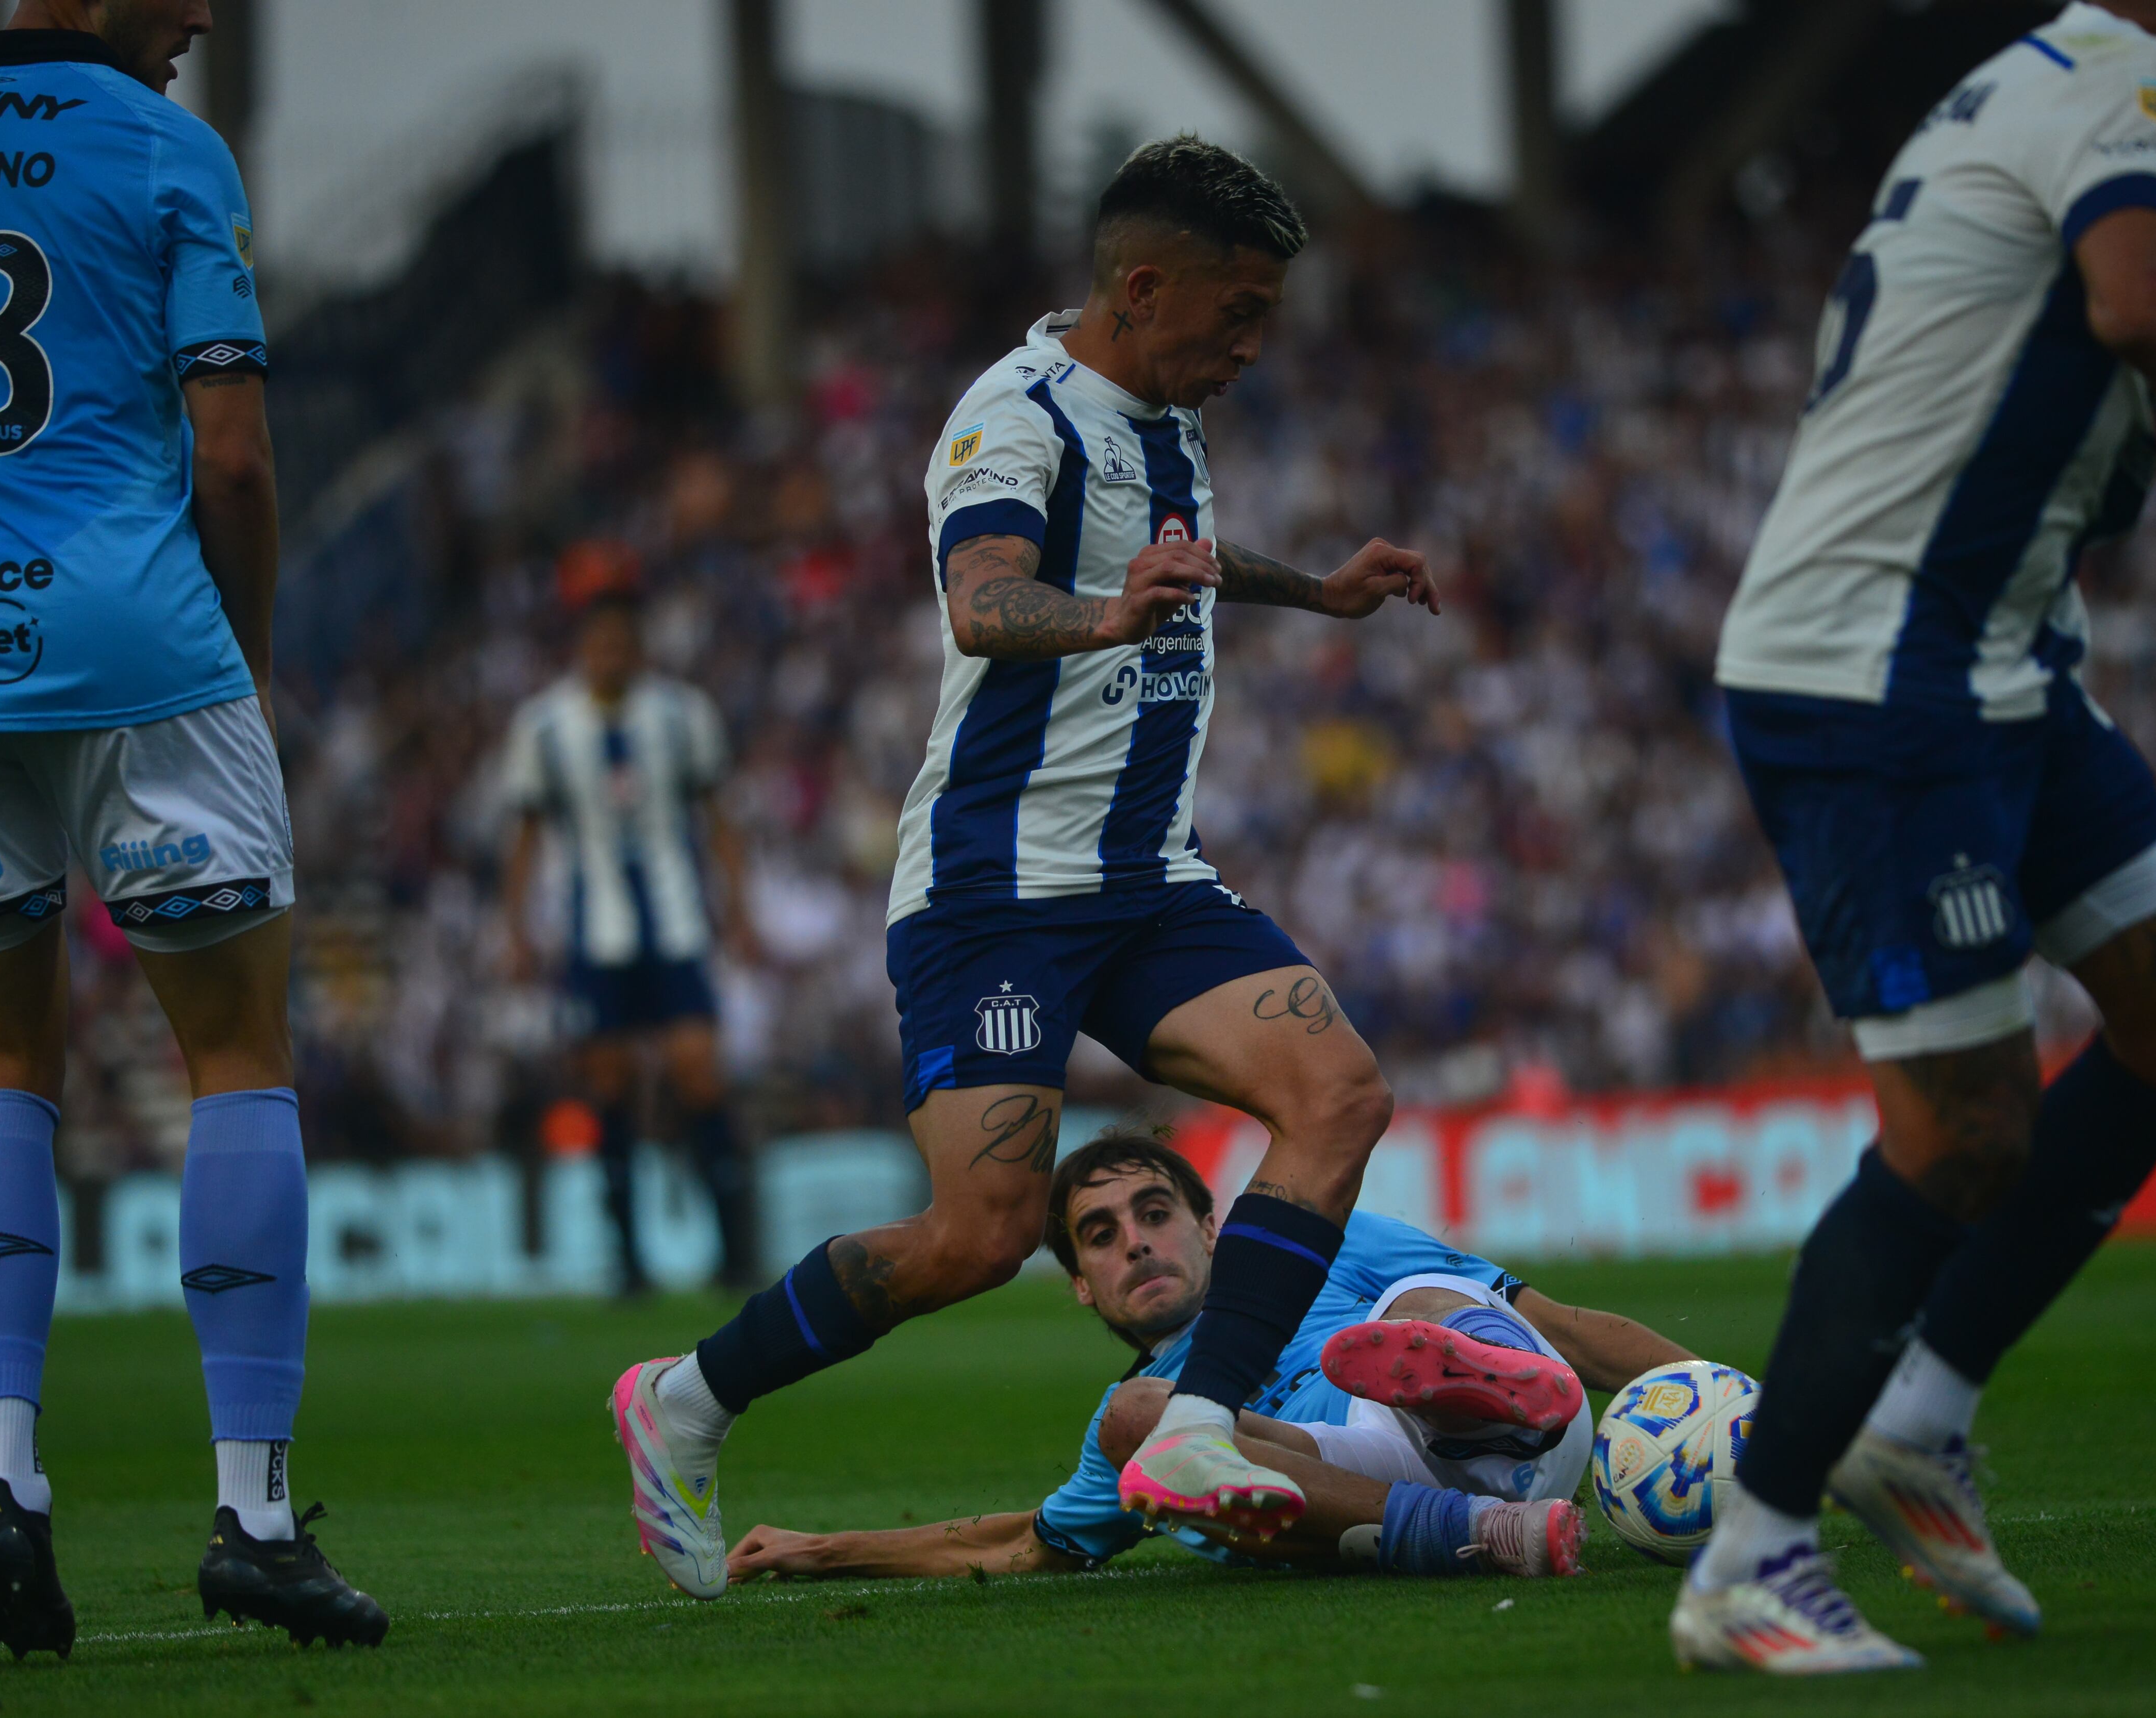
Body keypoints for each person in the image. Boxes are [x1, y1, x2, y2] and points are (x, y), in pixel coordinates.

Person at [610, 136, 1442, 1599]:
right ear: (1141, 286)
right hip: (997, 893)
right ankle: (683, 1395)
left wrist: (1318, 590)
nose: (1254, 344)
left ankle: (1194, 1424)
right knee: (979, 1236)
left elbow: (1176, 550)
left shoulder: (1167, 418)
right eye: (1237, 312)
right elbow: (985, 601)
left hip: (1147, 879)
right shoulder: (1015, 416)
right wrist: (1111, 617)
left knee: (1342, 1093)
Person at [1679, 0, 2156, 1674]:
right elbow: (2142, 305)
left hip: (1995, 655)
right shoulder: (2155, 82)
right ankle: (1751, 1550)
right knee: (1966, 1129)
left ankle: (1917, 1415)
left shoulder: (2024, 80)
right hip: (1883, 669)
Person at [0, 0, 385, 1656]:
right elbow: (233, 456)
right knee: (237, 1057)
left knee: (1, 1067)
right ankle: (257, 1515)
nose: (203, 16)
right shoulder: (158, 147)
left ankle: (4, 1482)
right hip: (142, 653)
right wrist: (252, 663)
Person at [722, 1132, 1699, 1584]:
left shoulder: (1327, 1240)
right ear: (1080, 1285)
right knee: (1149, 1422)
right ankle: (1489, 1523)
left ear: (1210, 1224)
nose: (1136, 1243)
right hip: (1397, 1482)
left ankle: (1476, 1393)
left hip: (1544, 1413)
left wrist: (1744, 1413)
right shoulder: (1142, 1398)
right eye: (1100, 1235)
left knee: (1422, 1302)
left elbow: (1564, 1325)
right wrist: (823, 1548)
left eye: (1155, 1214)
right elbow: (1025, 1544)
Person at [499, 545, 757, 1294]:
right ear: (581, 645)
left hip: (676, 927)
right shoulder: (544, 726)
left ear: (639, 644)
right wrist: (515, 928)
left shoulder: (682, 715)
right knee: (608, 1085)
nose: (612, 651)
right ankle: (628, 1258)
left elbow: (718, 817)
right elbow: (523, 836)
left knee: (698, 1072)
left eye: (623, 638)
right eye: (599, 638)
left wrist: (737, 907)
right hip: (596, 934)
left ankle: (733, 1249)